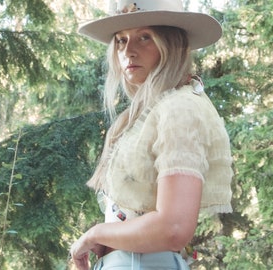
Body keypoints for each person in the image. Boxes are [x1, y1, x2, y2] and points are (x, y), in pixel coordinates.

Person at [70, 0, 233, 269]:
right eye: (121, 40)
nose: (128, 51)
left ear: (171, 43)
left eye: (144, 37)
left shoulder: (178, 108)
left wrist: (96, 234)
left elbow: (173, 227)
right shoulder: (153, 111)